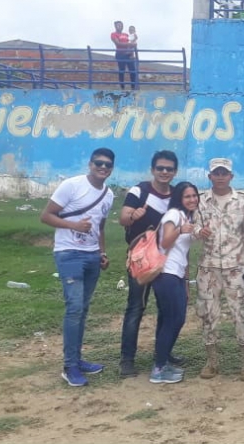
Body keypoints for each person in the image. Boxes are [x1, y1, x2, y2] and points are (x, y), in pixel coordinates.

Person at [40, 148, 116, 387]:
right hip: (69, 253)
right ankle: (69, 366)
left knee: (82, 308)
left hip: (92, 255)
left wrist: (102, 252)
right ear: (90, 164)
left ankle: (78, 359)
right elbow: (46, 216)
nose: (103, 168)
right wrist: (73, 225)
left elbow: (100, 227)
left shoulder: (108, 195)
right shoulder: (72, 185)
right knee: (74, 307)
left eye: (107, 165)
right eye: (98, 163)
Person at [117, 150, 179, 378]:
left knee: (165, 308)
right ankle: (127, 360)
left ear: (175, 172)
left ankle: (163, 352)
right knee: (136, 307)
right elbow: (122, 218)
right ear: (153, 169)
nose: (164, 172)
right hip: (142, 260)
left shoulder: (175, 195)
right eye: (160, 168)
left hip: (165, 261)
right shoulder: (139, 191)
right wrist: (134, 215)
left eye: (169, 169)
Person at [195, 158, 244, 381]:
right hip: (209, 267)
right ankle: (211, 362)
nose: (220, 176)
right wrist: (196, 231)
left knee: (241, 313)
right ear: (209, 176)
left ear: (231, 176)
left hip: (236, 267)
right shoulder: (201, 201)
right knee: (208, 313)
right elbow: (192, 224)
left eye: (224, 173)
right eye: (216, 173)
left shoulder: (242, 201)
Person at [148, 181, 200, 384]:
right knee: (175, 319)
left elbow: (184, 254)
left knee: (167, 319)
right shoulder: (173, 215)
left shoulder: (186, 217)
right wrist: (181, 230)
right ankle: (159, 369)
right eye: (187, 196)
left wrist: (186, 283)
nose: (192, 199)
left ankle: (163, 357)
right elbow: (165, 242)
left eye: (195, 195)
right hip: (166, 274)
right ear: (179, 198)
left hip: (176, 275)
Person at [110, 21, 137, 90]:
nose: (120, 26)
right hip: (120, 54)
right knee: (122, 70)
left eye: (121, 25)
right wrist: (130, 44)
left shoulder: (126, 34)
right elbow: (118, 44)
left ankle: (133, 88)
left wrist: (132, 53)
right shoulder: (113, 34)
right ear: (115, 26)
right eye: (118, 25)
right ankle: (122, 87)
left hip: (129, 54)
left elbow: (131, 42)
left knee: (133, 71)